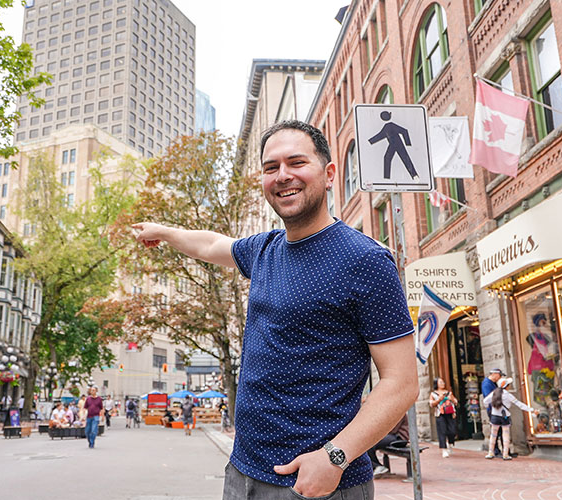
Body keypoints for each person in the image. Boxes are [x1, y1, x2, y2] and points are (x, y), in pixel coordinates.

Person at [133, 120, 418, 499]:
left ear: (329, 174)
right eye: (271, 168)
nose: (283, 176)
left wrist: (334, 457)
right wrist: (165, 231)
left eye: (296, 163)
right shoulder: (264, 250)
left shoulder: (365, 260)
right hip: (243, 472)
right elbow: (209, 244)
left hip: (317, 483)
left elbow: (402, 382)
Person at [483, 378, 537, 460]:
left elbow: (485, 401)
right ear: (506, 386)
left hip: (494, 416)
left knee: (493, 435)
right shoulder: (507, 395)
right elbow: (519, 404)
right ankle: (505, 454)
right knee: (506, 435)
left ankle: (490, 453)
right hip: (505, 417)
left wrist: (491, 408)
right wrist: (531, 410)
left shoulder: (494, 393)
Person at [429, 378, 457, 458]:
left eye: (443, 382)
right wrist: (438, 400)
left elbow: (455, 402)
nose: (442, 383)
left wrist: (452, 399)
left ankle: (450, 443)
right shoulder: (433, 394)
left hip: (450, 414)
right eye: (440, 382)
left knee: (452, 430)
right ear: (436, 384)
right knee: (442, 431)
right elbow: (431, 404)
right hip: (440, 414)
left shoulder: (449, 393)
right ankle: (444, 449)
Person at [481, 368, 504, 457]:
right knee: (496, 430)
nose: (500, 377)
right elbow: (489, 398)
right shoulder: (487, 383)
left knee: (501, 430)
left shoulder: (492, 383)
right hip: (493, 410)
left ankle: (503, 450)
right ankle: (495, 451)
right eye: (499, 375)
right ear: (494, 374)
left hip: (497, 409)